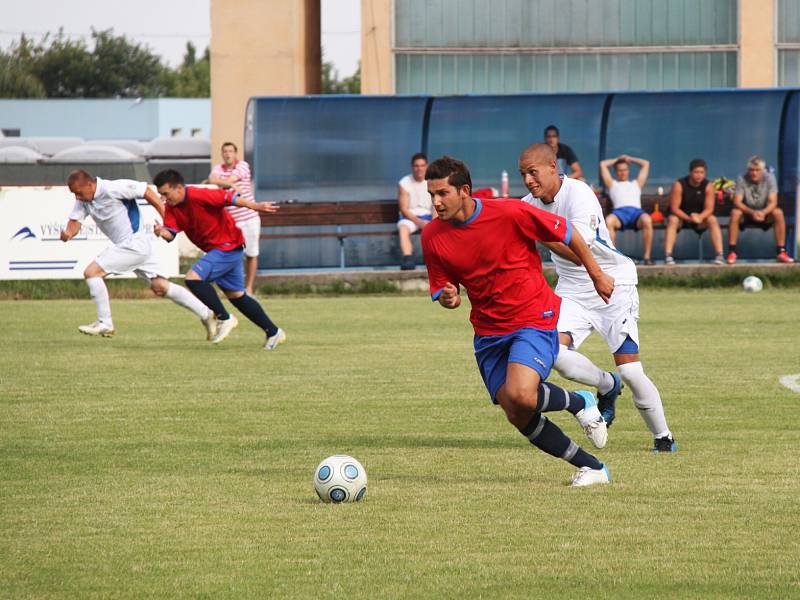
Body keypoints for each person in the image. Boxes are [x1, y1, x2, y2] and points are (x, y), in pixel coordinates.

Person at [422, 155, 614, 487]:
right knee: (517, 411)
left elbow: (569, 234)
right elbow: (442, 289)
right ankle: (593, 467)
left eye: (442, 194)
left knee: (523, 394)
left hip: (532, 316)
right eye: (432, 195)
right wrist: (448, 298)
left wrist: (597, 275)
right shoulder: (432, 237)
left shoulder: (510, 212)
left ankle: (580, 401)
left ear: (464, 190)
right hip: (488, 332)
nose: (436, 203)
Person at [519, 144, 676, 453]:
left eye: (533, 172)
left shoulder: (579, 194)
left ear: (553, 167)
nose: (528, 180)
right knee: (554, 354)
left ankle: (663, 437)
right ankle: (606, 385)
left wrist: (535, 230)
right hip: (572, 290)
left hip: (613, 283)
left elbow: (581, 252)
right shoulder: (528, 204)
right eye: (523, 174)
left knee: (631, 370)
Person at [60, 170, 216, 339]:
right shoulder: (84, 199)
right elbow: (74, 222)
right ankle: (207, 314)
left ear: (90, 185)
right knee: (160, 286)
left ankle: (105, 323)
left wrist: (168, 220)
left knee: (92, 272)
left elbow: (145, 191)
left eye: (78, 193)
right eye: (75, 194)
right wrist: (68, 234)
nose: (77, 197)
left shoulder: (113, 188)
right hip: (132, 247)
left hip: (133, 244)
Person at [152, 169, 287, 349]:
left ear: (178, 188)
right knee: (237, 296)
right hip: (219, 250)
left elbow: (229, 198)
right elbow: (171, 234)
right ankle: (273, 331)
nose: (164, 199)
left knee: (193, 279)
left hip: (228, 245)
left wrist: (256, 206)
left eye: (166, 194)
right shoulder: (171, 207)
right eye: (161, 195)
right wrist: (161, 232)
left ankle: (224, 317)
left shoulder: (199, 194)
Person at [207, 142, 262, 294]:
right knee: (229, 254)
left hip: (249, 218)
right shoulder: (218, 168)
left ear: (235, 153)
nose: (227, 154)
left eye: (230, 151)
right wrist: (226, 184)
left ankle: (249, 288)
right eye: (225, 151)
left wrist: (222, 183)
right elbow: (213, 179)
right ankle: (231, 288)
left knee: (251, 253)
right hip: (231, 221)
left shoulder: (243, 165)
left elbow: (229, 179)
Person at [727, 156, 795, 264]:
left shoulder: (770, 178)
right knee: (735, 213)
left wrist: (763, 212)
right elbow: (737, 202)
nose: (754, 173)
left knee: (778, 212)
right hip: (747, 213)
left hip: (765, 214)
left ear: (762, 171)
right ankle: (732, 251)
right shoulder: (742, 178)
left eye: (757, 170)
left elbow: (773, 201)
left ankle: (781, 251)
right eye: (751, 170)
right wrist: (752, 212)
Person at [664, 158, 724, 265]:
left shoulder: (708, 186)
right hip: (682, 218)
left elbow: (709, 209)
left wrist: (700, 217)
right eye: (696, 172)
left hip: (699, 219)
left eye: (702, 172)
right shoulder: (679, 184)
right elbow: (674, 208)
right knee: (673, 220)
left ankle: (720, 255)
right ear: (690, 172)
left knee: (712, 219)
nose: (699, 175)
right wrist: (689, 218)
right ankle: (668, 255)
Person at [600, 154, 654, 265]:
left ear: (628, 171)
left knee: (647, 220)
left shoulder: (636, 184)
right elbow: (603, 164)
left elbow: (646, 164)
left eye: (625, 170)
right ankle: (613, 257)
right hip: (619, 213)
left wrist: (629, 159)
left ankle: (647, 257)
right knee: (609, 220)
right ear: (616, 172)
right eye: (620, 170)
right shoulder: (612, 184)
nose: (623, 172)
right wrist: (618, 159)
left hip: (636, 213)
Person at [397, 152, 434, 270]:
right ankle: (408, 259)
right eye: (416, 166)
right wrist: (419, 222)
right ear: (412, 167)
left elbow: (436, 204)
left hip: (429, 216)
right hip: (410, 217)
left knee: (438, 228)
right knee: (403, 228)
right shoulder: (404, 182)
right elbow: (403, 208)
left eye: (422, 165)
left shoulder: (432, 181)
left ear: (427, 166)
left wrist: (433, 221)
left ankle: (436, 259)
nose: (419, 168)